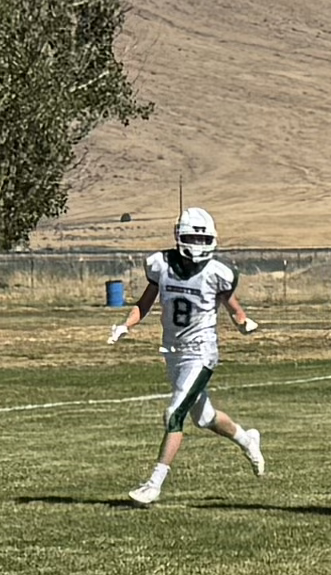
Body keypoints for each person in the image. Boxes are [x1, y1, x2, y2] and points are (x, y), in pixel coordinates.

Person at [109, 207, 265, 507]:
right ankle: (247, 440)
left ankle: (153, 484)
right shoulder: (161, 265)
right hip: (173, 353)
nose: (196, 242)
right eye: (192, 236)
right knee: (204, 418)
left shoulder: (218, 273)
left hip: (202, 353)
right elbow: (145, 303)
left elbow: (234, 308)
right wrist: (125, 325)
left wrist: (244, 324)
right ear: (179, 236)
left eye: (202, 237)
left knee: (174, 414)